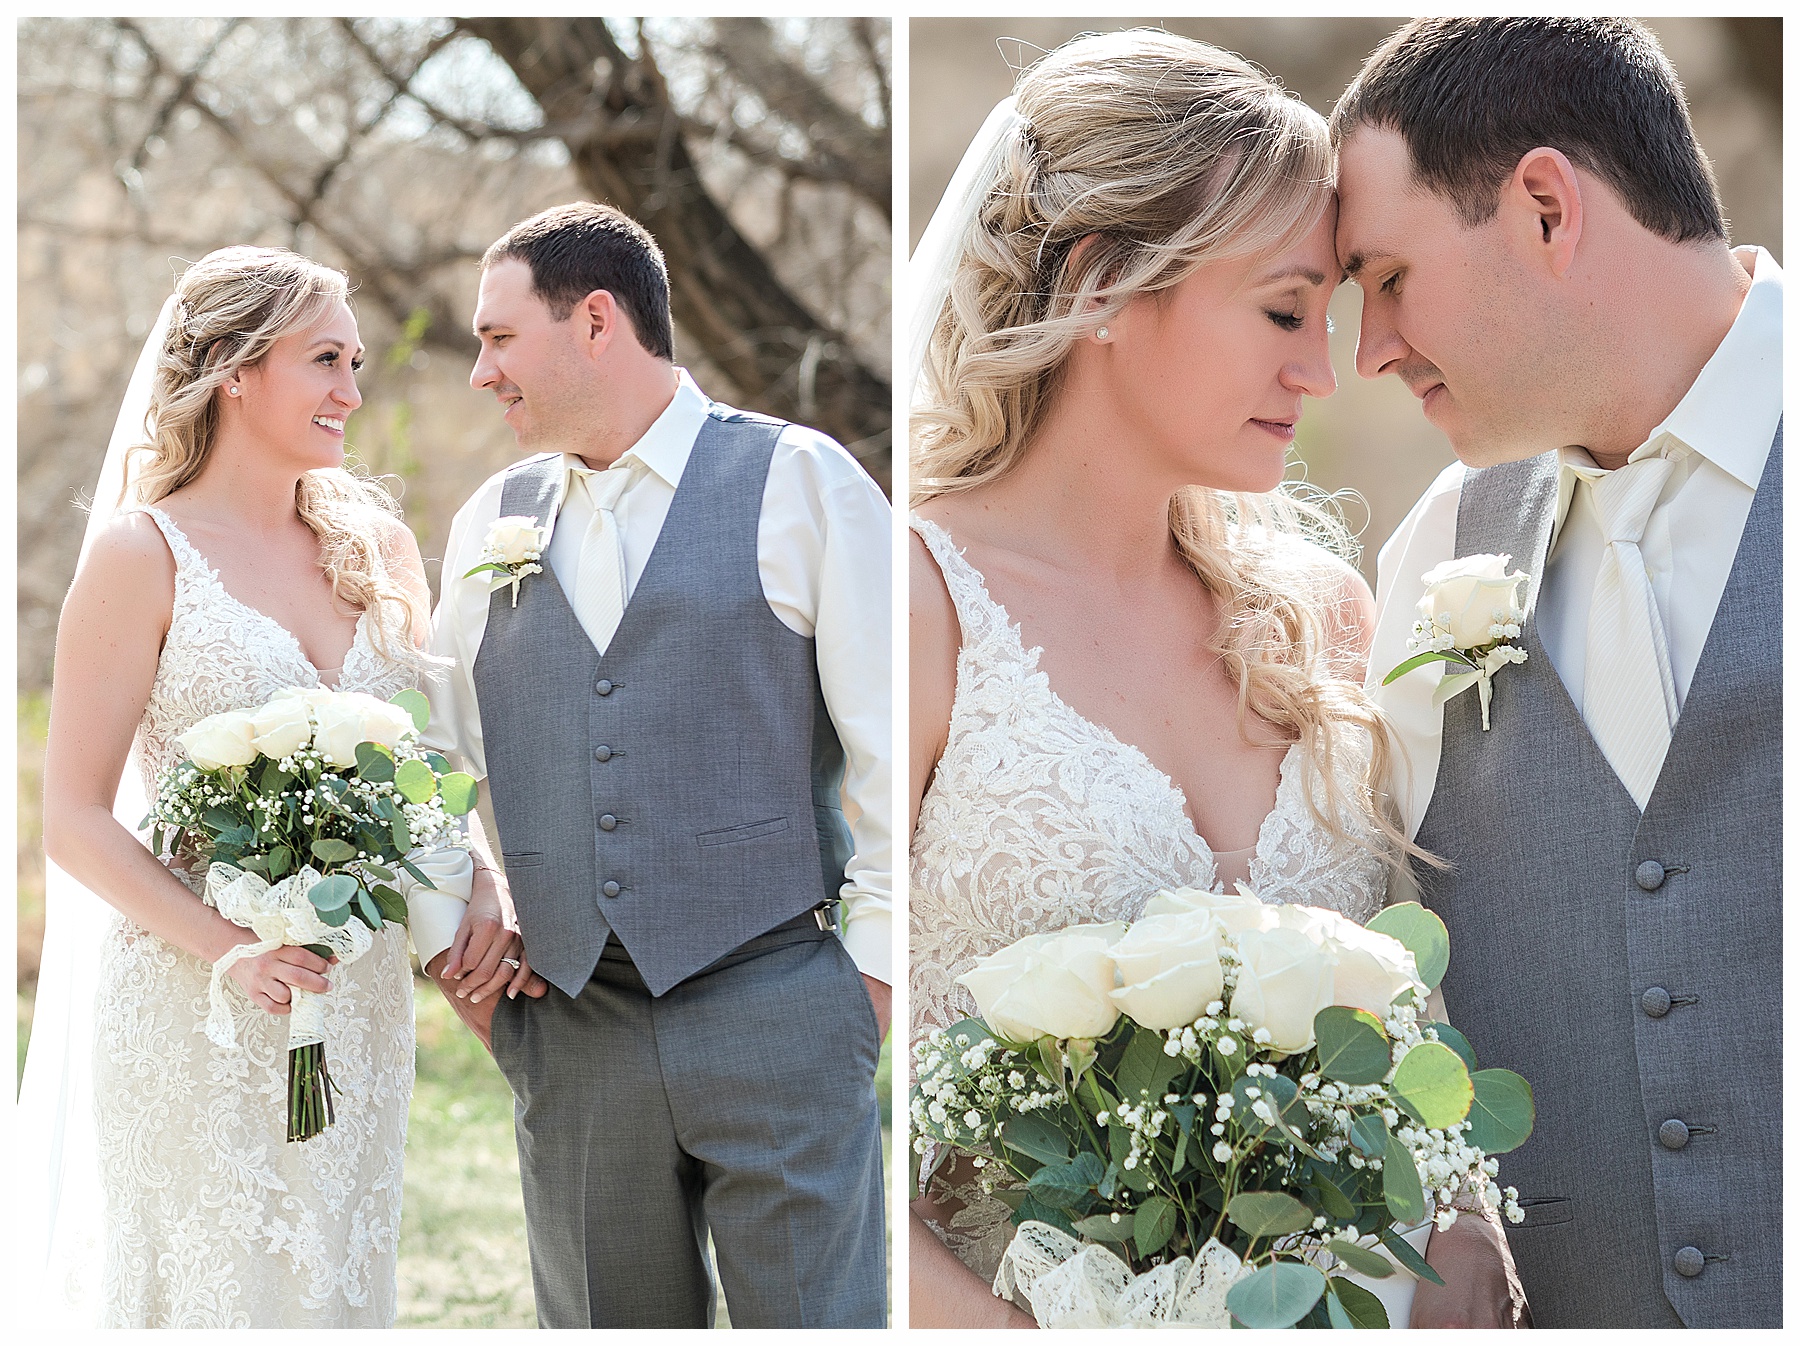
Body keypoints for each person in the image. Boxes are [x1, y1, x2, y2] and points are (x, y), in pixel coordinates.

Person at [908, 31, 1426, 1327]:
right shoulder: (914, 604)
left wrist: (1462, 1225)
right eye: (1281, 308)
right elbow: (799, 1103)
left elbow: (1419, 1017)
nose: (1322, 368)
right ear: (1103, 283)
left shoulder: (1323, 620)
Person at [1345, 18, 1780, 1329]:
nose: (1366, 348)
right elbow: (1389, 990)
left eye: (1388, 276)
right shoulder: (1432, 557)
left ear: (1544, 207)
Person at [23, 246, 532, 1327]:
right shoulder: (140, 553)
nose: (353, 388)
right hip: (194, 999)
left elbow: (432, 764)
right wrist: (231, 945)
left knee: (335, 1283)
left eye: (353, 359)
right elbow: (70, 818)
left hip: (353, 997)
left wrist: (481, 875)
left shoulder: (381, 548)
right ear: (233, 370)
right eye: (324, 360)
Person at [428, 202, 891, 1329]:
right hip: (572, 1022)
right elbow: (433, 753)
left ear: (596, 321)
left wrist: (860, 998)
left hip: (779, 1001)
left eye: (499, 338)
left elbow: (895, 751)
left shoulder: (802, 481)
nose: (481, 373)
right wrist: (462, 923)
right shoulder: (492, 515)